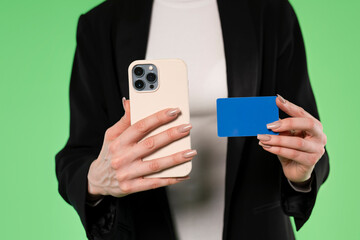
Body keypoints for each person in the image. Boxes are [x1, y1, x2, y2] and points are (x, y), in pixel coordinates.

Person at [55, 0, 329, 239]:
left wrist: (302, 174)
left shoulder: (272, 12)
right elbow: (76, 155)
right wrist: (96, 180)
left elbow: (307, 137)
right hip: (141, 230)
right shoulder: (100, 24)